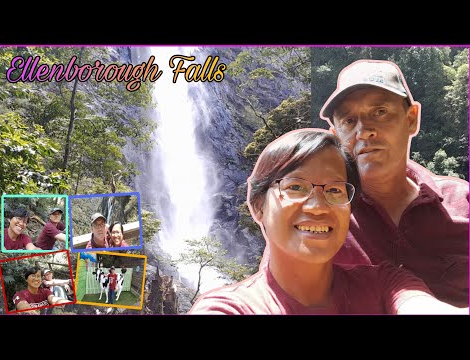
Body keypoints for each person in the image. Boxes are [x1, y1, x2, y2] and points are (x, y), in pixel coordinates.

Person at [189, 129, 467, 314]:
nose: (318, 206)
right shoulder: (231, 307)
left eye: (335, 190)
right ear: (259, 205)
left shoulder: (385, 284)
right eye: (295, 187)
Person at [319, 59, 469, 307]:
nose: (364, 131)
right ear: (336, 137)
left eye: (380, 112)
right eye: (348, 121)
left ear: (411, 119)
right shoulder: (315, 216)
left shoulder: (462, 202)